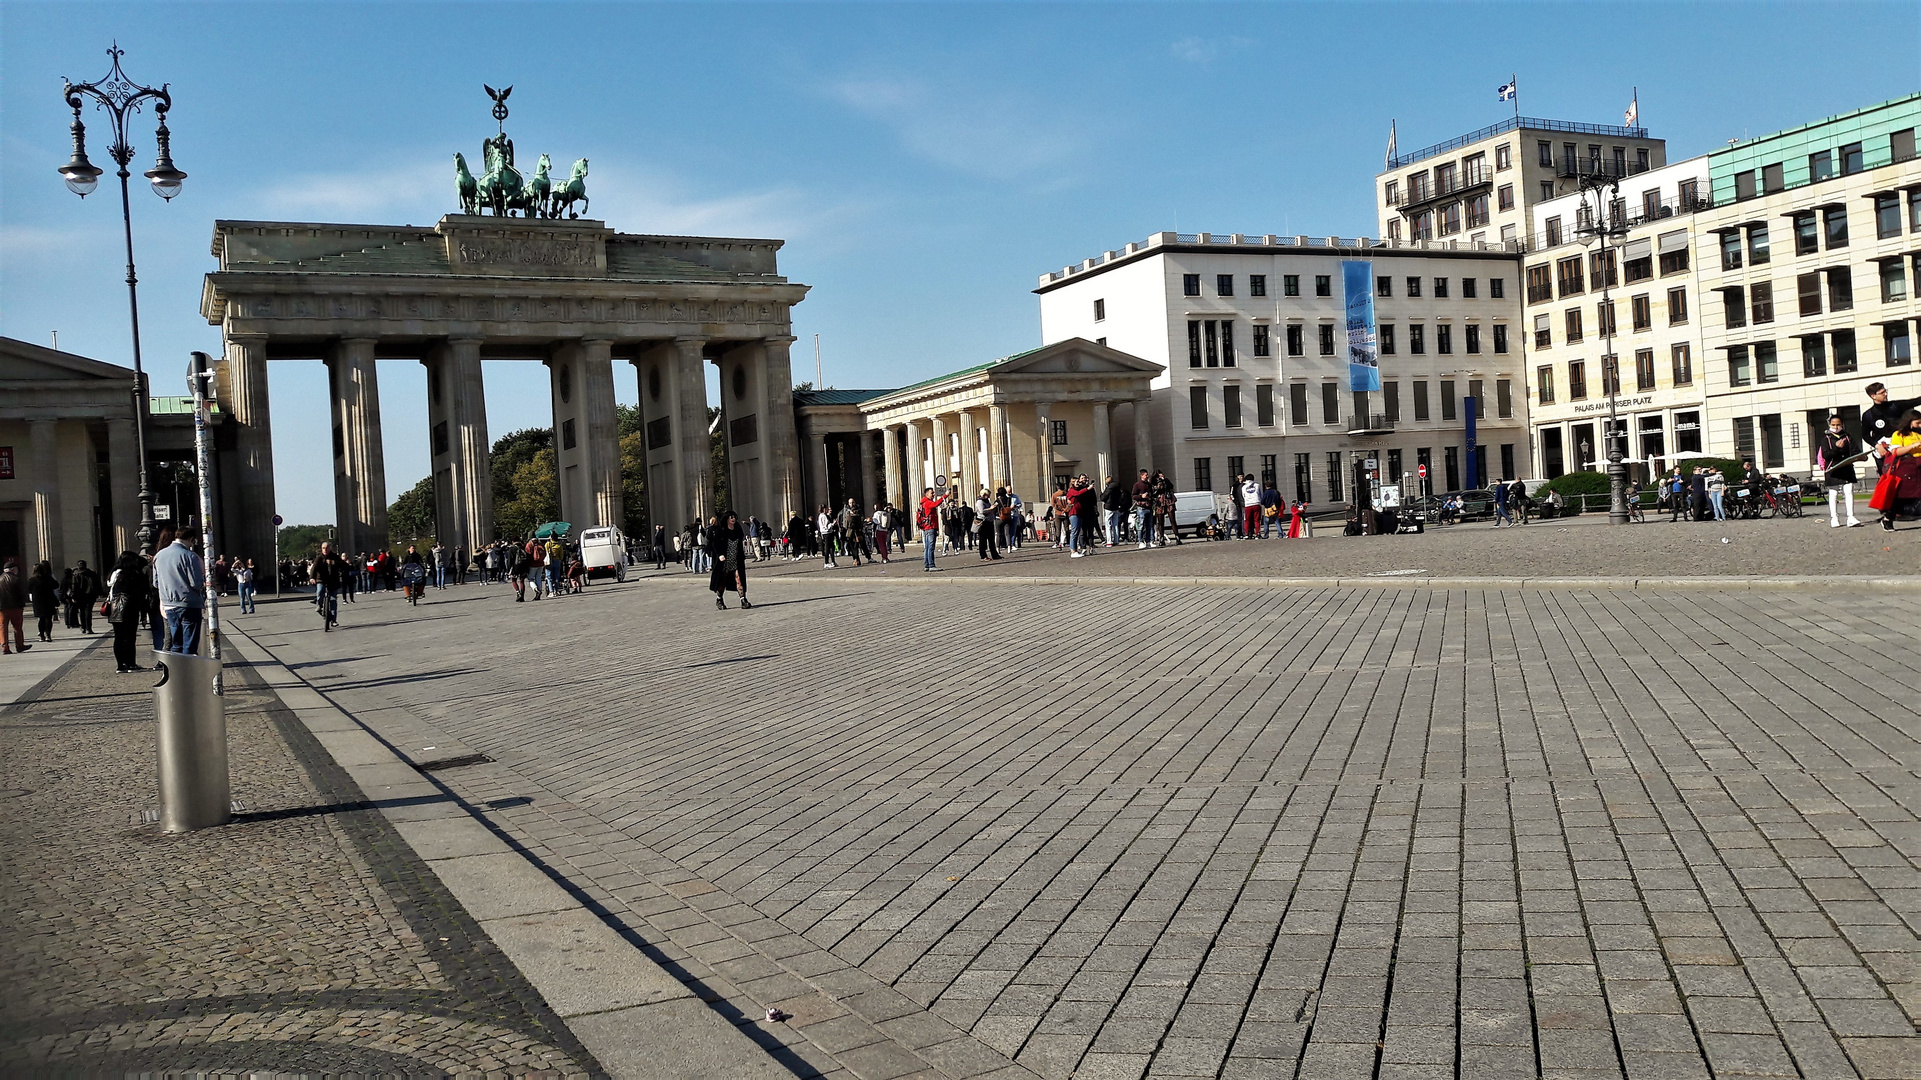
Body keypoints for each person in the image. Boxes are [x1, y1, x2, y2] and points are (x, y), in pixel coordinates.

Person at [154, 526, 206, 654]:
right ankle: (188, 671)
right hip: (188, 603)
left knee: (176, 642)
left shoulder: (159, 555)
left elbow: (156, 583)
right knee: (190, 642)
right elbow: (196, 583)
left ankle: (175, 671)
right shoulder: (189, 556)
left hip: (169, 604)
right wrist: (205, 584)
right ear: (191, 539)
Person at [1876, 409, 1921, 531]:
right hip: (1905, 467)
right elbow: (1896, 451)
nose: (1920, 425)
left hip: (1919, 466)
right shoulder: (1899, 434)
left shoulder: (1919, 434)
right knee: (1901, 495)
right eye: (1918, 423)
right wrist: (1913, 446)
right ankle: (1888, 518)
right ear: (1910, 422)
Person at [105, 550, 149, 671]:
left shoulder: (115, 573)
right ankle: (130, 663)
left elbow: (108, 587)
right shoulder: (134, 574)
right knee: (130, 637)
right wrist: (144, 613)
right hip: (130, 607)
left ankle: (120, 665)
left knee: (118, 637)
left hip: (115, 607)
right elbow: (140, 594)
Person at [1819, 415, 1864, 528]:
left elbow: (1855, 451)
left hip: (1847, 468)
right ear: (1829, 425)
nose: (1836, 427)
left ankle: (1851, 517)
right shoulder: (1826, 439)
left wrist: (1860, 457)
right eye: (1833, 425)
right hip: (1833, 468)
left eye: (1838, 424)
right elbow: (1826, 455)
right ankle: (1834, 518)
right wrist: (1837, 448)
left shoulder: (1847, 436)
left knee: (1849, 491)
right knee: (1833, 493)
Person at [706, 512, 750, 609]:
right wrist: (720, 554)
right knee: (723, 580)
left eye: (734, 517)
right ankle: (719, 599)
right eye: (731, 517)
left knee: (739, 579)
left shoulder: (737, 528)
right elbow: (715, 543)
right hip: (725, 560)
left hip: (736, 558)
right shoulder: (721, 530)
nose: (733, 519)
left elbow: (740, 540)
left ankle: (743, 599)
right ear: (727, 519)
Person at [312, 541, 345, 630]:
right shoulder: (319, 558)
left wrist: (334, 563)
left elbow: (343, 565)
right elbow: (314, 568)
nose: (325, 550)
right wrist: (312, 577)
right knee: (320, 591)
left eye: (326, 548)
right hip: (321, 580)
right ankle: (319, 605)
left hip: (333, 581)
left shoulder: (335, 557)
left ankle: (333, 620)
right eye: (323, 548)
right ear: (321, 549)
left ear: (329, 548)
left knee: (333, 600)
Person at [26, 562, 59, 643]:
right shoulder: (48, 578)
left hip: (38, 601)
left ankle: (41, 635)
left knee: (41, 618)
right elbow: (56, 585)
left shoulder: (32, 580)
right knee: (48, 618)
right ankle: (48, 635)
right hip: (48, 599)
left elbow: (28, 589)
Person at [69, 559, 103, 633]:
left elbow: (74, 586)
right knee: (88, 611)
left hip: (80, 595)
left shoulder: (76, 574)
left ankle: (84, 627)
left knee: (82, 611)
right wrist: (100, 592)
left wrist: (73, 596)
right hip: (90, 594)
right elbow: (97, 584)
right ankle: (88, 628)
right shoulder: (92, 573)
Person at [1101, 474, 1129, 547]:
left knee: (1108, 525)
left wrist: (1102, 494)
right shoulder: (1118, 488)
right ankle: (1116, 540)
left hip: (1109, 507)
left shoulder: (1109, 488)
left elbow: (1103, 498)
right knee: (1115, 524)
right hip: (1116, 507)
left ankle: (1109, 541)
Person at [975, 488, 1001, 560]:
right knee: (983, 540)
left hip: (989, 521)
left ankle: (994, 555)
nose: (989, 496)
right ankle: (983, 556)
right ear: (984, 495)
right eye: (988, 495)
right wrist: (990, 508)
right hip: (983, 522)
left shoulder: (987, 501)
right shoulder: (980, 502)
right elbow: (982, 511)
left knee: (991, 539)